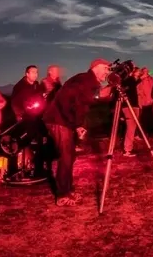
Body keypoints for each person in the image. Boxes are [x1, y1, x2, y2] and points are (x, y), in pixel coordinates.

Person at [42, 59, 112, 206]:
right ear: (96, 68)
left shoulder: (90, 82)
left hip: (65, 120)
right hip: (58, 120)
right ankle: (62, 195)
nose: (107, 72)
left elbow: (84, 104)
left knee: (70, 156)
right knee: (66, 156)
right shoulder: (83, 80)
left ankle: (68, 189)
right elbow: (67, 102)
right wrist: (76, 125)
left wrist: (78, 124)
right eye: (106, 68)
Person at [10, 65, 47, 176]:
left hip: (37, 117)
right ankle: (14, 169)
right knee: (22, 142)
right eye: (33, 72)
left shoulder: (37, 85)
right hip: (25, 118)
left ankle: (38, 169)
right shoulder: (20, 87)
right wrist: (19, 114)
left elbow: (40, 96)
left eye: (36, 72)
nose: (35, 75)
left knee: (40, 142)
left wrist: (43, 97)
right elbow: (15, 103)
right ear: (27, 74)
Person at [118, 68, 141, 157]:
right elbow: (134, 83)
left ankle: (128, 148)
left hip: (132, 105)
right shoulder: (129, 79)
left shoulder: (125, 80)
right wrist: (140, 78)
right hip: (130, 106)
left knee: (131, 128)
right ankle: (127, 150)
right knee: (131, 128)